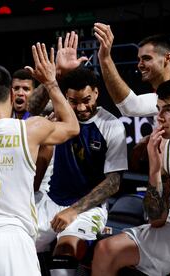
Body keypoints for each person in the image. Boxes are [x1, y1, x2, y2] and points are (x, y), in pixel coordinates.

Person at [0, 41, 80, 275]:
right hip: (11, 239)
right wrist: (50, 80)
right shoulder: (30, 129)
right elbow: (72, 127)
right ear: (10, 93)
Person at [92, 77, 170, 276]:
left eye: (168, 109)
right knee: (107, 250)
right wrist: (154, 168)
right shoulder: (167, 147)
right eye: (158, 108)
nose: (159, 117)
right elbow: (157, 220)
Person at [35, 68, 127, 266]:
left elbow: (113, 182)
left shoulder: (111, 125)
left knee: (65, 251)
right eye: (73, 102)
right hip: (51, 200)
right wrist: (53, 77)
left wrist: (73, 210)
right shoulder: (59, 115)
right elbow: (29, 108)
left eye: (86, 100)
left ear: (96, 92)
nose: (81, 108)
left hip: (88, 207)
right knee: (16, 247)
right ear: (66, 97)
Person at [94, 23, 170, 220]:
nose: (140, 64)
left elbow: (130, 106)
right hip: (165, 198)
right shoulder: (161, 98)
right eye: (138, 59)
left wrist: (105, 58)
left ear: (167, 59)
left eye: (146, 58)